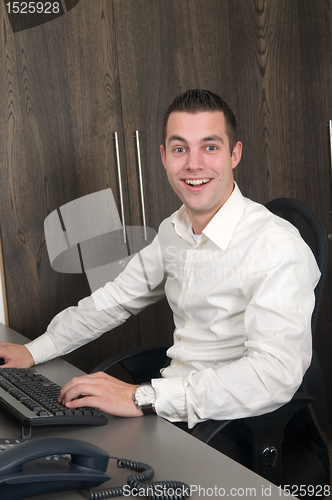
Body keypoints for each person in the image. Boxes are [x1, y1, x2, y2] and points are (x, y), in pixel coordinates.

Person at [0, 90, 320, 460]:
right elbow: (115, 299)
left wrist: (142, 396)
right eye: (180, 149)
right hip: (172, 407)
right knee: (54, 455)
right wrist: (33, 350)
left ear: (235, 154)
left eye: (211, 147)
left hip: (232, 425)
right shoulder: (174, 230)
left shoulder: (275, 246)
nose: (194, 164)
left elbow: (272, 374)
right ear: (164, 157)